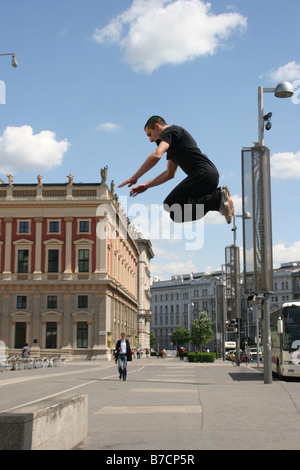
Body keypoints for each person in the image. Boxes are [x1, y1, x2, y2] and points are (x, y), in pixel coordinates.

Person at [119, 116, 234, 224]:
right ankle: (217, 200)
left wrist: (135, 177)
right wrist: (146, 185)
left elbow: (157, 155)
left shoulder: (170, 131)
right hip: (207, 176)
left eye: (150, 134)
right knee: (176, 215)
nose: (151, 140)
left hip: (203, 174)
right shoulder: (174, 143)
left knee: (170, 204)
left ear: (157, 126)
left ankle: (217, 198)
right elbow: (169, 174)